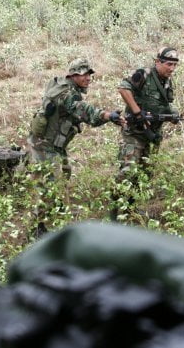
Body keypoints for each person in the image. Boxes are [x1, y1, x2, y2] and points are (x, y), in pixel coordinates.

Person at [26, 58, 125, 236]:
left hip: (54, 145)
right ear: (72, 75)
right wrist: (108, 115)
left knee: (64, 174)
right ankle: (37, 227)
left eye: (89, 74)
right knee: (49, 186)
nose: (88, 78)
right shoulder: (66, 94)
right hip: (44, 146)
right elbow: (86, 112)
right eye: (83, 75)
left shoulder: (62, 85)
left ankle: (56, 213)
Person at [113, 47, 181, 215]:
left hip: (152, 135)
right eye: (168, 64)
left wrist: (171, 115)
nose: (171, 69)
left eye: (174, 65)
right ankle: (116, 210)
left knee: (145, 173)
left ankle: (131, 208)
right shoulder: (143, 74)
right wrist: (138, 112)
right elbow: (123, 88)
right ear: (158, 62)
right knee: (128, 171)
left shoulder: (167, 81)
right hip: (134, 133)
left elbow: (163, 105)